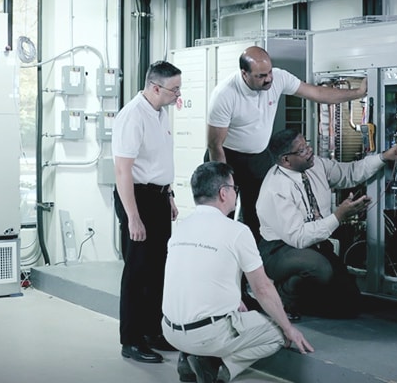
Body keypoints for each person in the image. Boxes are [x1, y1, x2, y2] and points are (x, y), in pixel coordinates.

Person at [162, 161, 314, 383]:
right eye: (234, 189)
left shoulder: (181, 227)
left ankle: (188, 358)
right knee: (277, 333)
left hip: (170, 331)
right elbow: (262, 288)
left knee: (233, 315)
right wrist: (289, 328)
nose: (235, 194)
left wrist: (232, 301)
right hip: (206, 334)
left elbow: (199, 277)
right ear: (223, 193)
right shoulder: (237, 231)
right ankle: (218, 367)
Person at [207, 45, 367, 242]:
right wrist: (224, 182)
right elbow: (215, 145)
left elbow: (317, 93)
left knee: (257, 218)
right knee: (223, 215)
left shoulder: (278, 78)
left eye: (269, 72)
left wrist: (358, 93)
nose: (268, 79)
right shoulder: (224, 95)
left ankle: (257, 266)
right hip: (227, 157)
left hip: (258, 156)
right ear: (244, 74)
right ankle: (221, 261)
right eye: (261, 76)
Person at [256, 128, 397, 320]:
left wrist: (384, 157)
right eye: (302, 150)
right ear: (285, 160)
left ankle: (303, 297)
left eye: (307, 144)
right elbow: (299, 238)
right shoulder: (276, 190)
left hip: (315, 245)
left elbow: (350, 172)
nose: (310, 151)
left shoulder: (316, 166)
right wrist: (339, 215)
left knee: (349, 304)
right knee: (319, 268)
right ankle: (283, 295)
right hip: (279, 250)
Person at [112, 60, 182, 364]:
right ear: (155, 87)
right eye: (174, 88)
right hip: (136, 199)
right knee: (137, 272)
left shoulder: (161, 112)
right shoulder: (132, 116)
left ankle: (153, 331)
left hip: (158, 198)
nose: (178, 93)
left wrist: (169, 196)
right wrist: (133, 217)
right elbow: (122, 171)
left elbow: (159, 161)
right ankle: (131, 339)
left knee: (158, 270)